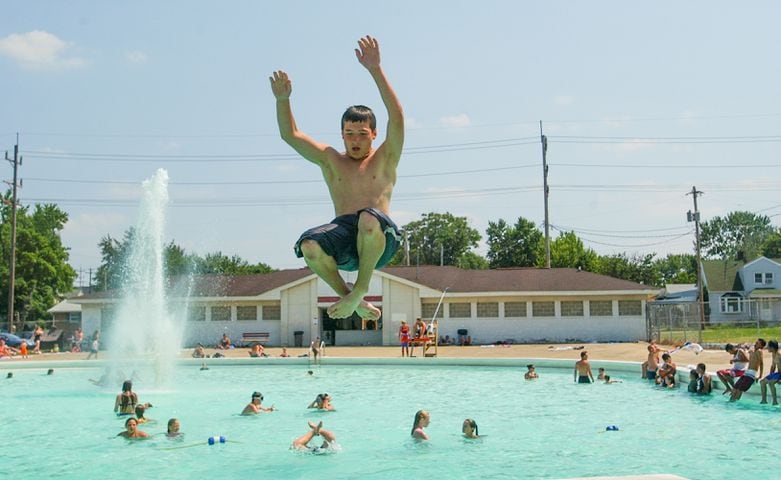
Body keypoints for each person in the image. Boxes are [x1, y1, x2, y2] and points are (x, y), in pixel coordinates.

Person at [271, 35, 404, 322]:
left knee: (368, 218)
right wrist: (283, 101)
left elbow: (397, 117)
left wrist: (375, 70)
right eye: (349, 134)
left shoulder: (386, 157)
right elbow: (290, 136)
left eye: (362, 134)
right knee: (309, 245)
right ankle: (351, 298)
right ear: (342, 134)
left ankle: (360, 290)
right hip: (345, 237)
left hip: (380, 238)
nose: (355, 141)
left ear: (374, 135)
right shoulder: (332, 160)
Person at [730, 338, 765, 402]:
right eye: (755, 342)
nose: (755, 344)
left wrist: (760, 376)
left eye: (757, 343)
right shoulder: (753, 351)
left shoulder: (759, 351)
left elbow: (761, 364)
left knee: (740, 390)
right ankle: (730, 402)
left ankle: (733, 404)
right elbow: (747, 351)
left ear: (761, 346)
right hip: (746, 373)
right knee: (735, 388)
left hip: (751, 375)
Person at [760, 340, 781, 405]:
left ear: (772, 347)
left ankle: (775, 401)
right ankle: (764, 400)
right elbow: (773, 366)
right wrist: (770, 376)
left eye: (768, 347)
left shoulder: (779, 355)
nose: (767, 348)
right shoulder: (773, 354)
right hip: (777, 374)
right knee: (762, 382)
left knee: (771, 383)